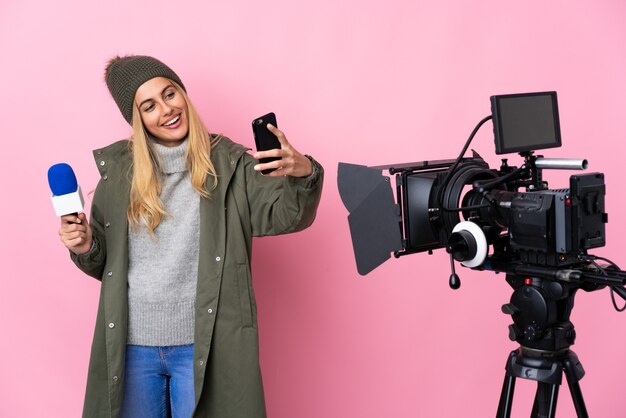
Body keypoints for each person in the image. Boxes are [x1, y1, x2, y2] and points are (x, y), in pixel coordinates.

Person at [58, 55, 323, 418]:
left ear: (183, 92)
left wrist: (304, 174)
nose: (166, 110)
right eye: (149, 106)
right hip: (133, 348)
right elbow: (106, 263)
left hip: (206, 344)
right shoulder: (118, 175)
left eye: (170, 93)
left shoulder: (231, 165)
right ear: (138, 120)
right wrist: (86, 246)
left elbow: (286, 215)